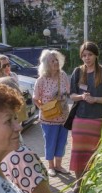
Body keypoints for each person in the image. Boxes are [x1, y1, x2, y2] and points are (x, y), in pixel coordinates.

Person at [65, 41, 102, 193]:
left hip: (97, 121)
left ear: (96, 55)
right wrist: (81, 97)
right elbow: (72, 95)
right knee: (78, 153)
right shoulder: (77, 72)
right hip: (80, 119)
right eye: (84, 55)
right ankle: (78, 186)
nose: (87, 58)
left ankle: (96, 185)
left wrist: (95, 99)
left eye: (90, 55)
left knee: (96, 154)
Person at [33, 49, 70, 177]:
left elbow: (68, 92)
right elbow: (35, 98)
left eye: (56, 60)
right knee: (50, 142)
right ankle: (51, 167)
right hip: (48, 118)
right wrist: (42, 108)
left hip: (63, 116)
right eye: (52, 61)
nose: (55, 62)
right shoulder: (41, 80)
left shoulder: (63, 75)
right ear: (46, 64)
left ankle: (59, 165)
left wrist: (63, 97)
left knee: (62, 142)